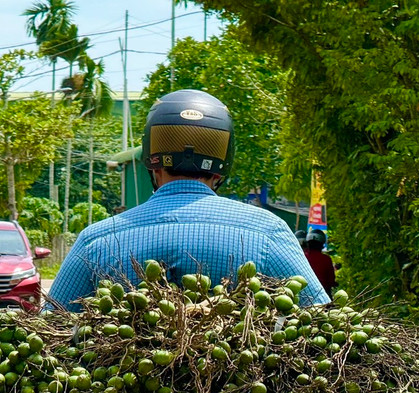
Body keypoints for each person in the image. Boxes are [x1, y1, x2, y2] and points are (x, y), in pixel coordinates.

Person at [48, 89, 329, 310]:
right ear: (223, 165)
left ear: (151, 163)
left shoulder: (97, 240)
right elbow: (320, 322)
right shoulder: (269, 232)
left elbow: (53, 331)